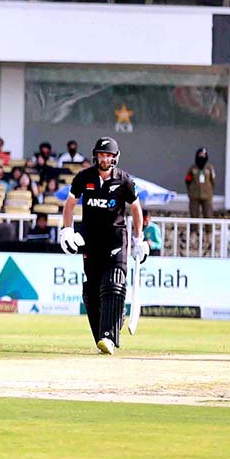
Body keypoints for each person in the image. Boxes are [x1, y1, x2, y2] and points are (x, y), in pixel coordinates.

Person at [60, 137, 148, 356]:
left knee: (113, 283)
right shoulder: (84, 177)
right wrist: (67, 230)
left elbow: (136, 209)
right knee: (91, 292)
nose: (104, 158)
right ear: (95, 156)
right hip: (91, 240)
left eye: (108, 155)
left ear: (115, 158)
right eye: (101, 154)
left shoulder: (125, 181)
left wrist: (139, 238)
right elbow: (70, 204)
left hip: (116, 239)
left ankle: (108, 336)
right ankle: (104, 333)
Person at [184, 147, 216, 218]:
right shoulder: (192, 168)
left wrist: (210, 191)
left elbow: (213, 181)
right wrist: (191, 191)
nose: (202, 156)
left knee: (208, 215)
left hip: (207, 196)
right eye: (200, 155)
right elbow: (187, 180)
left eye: (203, 155)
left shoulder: (209, 168)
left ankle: (208, 229)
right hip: (194, 195)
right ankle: (194, 229)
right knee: (194, 215)